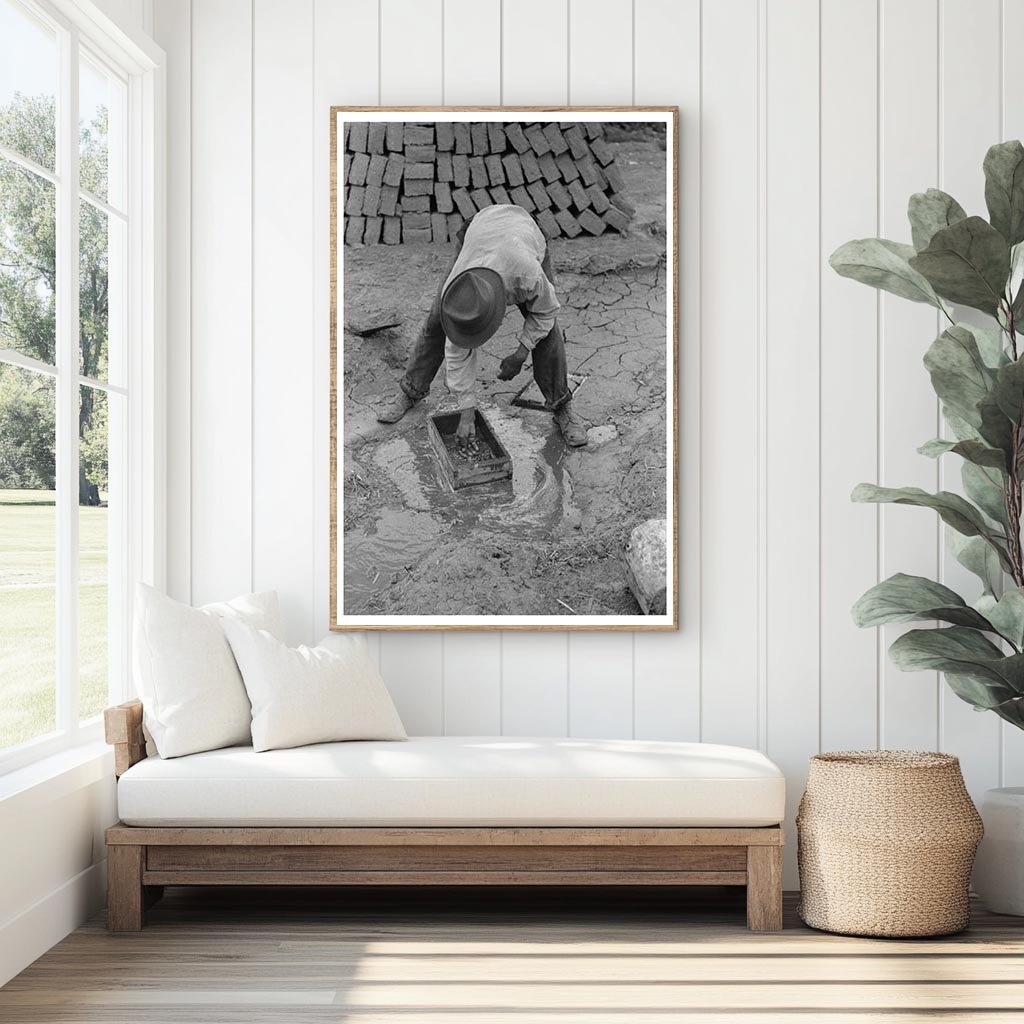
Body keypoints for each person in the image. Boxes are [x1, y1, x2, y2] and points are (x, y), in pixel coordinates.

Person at [376, 204, 588, 448]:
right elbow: (456, 351)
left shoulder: (527, 276)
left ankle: (562, 406)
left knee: (548, 334)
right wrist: (467, 412)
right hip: (478, 231)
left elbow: (547, 310)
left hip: (524, 233)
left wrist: (521, 352)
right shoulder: (456, 290)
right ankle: (411, 390)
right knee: (437, 321)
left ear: (497, 313)